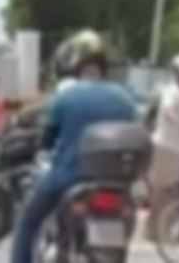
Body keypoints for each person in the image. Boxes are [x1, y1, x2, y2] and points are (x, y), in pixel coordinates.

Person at [10, 30, 137, 263]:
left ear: (74, 67)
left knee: (27, 220)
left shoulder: (66, 96)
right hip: (118, 183)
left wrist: (40, 145)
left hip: (69, 177)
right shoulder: (125, 99)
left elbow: (47, 137)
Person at [145, 53, 179, 241]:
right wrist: (177, 125)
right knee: (162, 190)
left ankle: (157, 228)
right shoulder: (173, 91)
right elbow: (169, 110)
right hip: (166, 145)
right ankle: (155, 229)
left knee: (166, 190)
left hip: (173, 146)